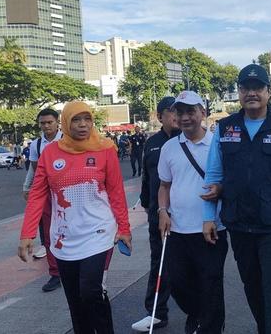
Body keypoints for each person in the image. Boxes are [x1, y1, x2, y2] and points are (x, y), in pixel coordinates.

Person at [202, 64, 271, 334]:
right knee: (253, 289)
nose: (251, 93)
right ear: (239, 92)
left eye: (258, 88)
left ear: (268, 91)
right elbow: (214, 175)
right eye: (245, 88)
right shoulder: (225, 128)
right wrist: (209, 216)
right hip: (240, 224)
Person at [18, 101, 131, 334]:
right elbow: (37, 194)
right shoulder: (50, 153)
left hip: (99, 232)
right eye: (76, 120)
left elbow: (116, 192)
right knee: (75, 300)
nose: (82, 125)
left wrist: (124, 228)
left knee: (90, 291)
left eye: (87, 119)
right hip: (63, 238)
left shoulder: (105, 148)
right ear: (66, 123)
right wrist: (27, 233)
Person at [157, 91, 228, 334]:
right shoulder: (169, 148)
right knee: (178, 283)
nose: (185, 117)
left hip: (211, 228)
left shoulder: (218, 145)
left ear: (203, 113)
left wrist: (221, 189)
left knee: (211, 284)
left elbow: (231, 181)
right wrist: (162, 211)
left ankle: (210, 327)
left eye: (190, 111)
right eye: (180, 112)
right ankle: (197, 315)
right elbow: (164, 186)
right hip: (177, 229)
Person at [132, 96, 179, 332]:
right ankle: (156, 313)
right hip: (158, 216)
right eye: (172, 112)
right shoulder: (152, 144)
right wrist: (148, 204)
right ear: (160, 116)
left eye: (179, 111)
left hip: (186, 218)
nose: (177, 116)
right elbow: (148, 179)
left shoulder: (189, 140)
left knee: (192, 266)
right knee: (159, 264)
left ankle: (202, 313)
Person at [23, 108, 64, 291]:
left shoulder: (67, 139)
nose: (46, 126)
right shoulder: (36, 144)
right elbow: (34, 169)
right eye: (43, 123)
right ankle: (55, 273)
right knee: (49, 233)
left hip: (67, 191)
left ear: (57, 122)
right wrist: (27, 187)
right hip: (46, 193)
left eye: (50, 122)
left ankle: (72, 268)